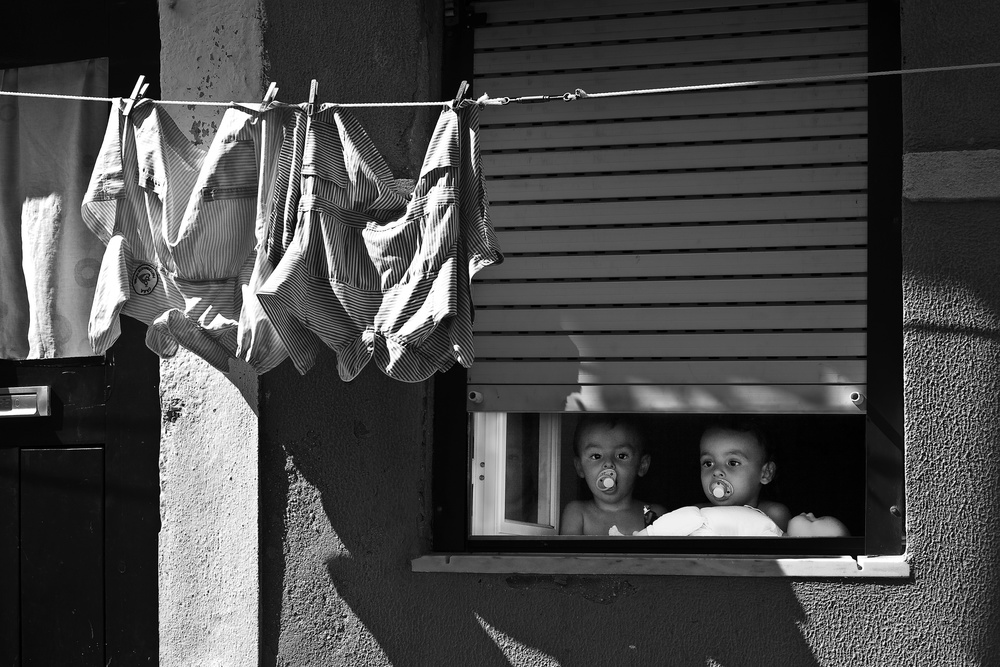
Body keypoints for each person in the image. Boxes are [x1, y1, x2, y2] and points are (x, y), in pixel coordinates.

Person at [559, 415, 668, 535]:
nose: (608, 464)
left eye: (621, 456)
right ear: (580, 467)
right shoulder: (577, 513)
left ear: (642, 465)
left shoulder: (653, 514)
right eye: (596, 456)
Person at [698, 420, 791, 532]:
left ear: (766, 473)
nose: (717, 471)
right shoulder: (697, 514)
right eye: (708, 463)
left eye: (733, 463)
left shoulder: (774, 514)